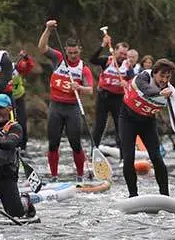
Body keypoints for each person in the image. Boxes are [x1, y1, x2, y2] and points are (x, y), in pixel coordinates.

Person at [37, 20, 94, 180]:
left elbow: (90, 90)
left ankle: (80, 175)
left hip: (72, 109)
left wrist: (79, 87)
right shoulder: (59, 58)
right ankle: (54, 176)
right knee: (53, 143)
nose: (73, 56)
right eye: (70, 53)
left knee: (75, 143)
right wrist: (48, 29)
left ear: (80, 50)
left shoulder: (84, 69)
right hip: (55, 107)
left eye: (75, 52)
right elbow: (42, 48)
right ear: (66, 50)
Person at [119, 58, 175, 197]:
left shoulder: (171, 92)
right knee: (128, 158)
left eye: (168, 77)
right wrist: (160, 93)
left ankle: (165, 196)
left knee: (157, 157)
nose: (164, 80)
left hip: (147, 122)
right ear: (154, 73)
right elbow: (146, 90)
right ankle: (133, 196)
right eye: (162, 76)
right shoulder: (143, 77)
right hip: (127, 120)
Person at [0, 94, 36, 218]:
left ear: (9, 109)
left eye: (0, 108)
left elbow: (11, 143)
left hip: (5, 177)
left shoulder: (15, 127)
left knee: (16, 214)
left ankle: (25, 202)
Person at [90, 33, 131, 151]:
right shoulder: (107, 60)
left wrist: (126, 83)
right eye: (120, 53)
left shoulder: (127, 66)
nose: (122, 56)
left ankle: (123, 155)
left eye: (125, 54)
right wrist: (102, 45)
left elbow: (133, 81)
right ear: (115, 51)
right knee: (99, 126)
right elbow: (92, 60)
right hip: (103, 97)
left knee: (120, 126)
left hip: (118, 99)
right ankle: (94, 151)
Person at [12, 48, 35, 152]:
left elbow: (29, 66)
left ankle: (23, 147)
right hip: (5, 100)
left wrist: (26, 58)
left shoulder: (16, 67)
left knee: (22, 121)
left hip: (18, 98)